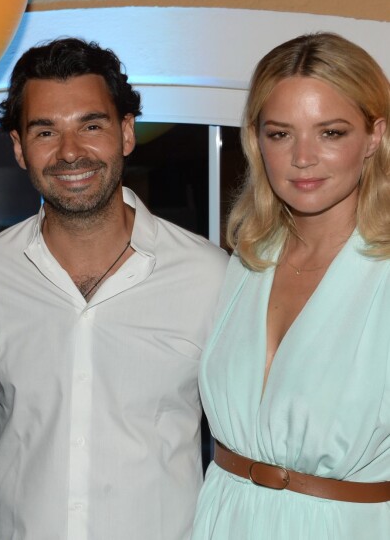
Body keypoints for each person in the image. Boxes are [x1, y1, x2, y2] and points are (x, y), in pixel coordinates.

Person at [0, 38, 228, 540]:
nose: (71, 152)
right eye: (46, 131)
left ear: (126, 133)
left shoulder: (208, 276)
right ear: (20, 148)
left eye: (91, 125)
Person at [191, 32, 390, 539]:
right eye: (280, 133)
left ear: (374, 137)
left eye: (331, 133)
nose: (302, 157)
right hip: (224, 518)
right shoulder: (246, 262)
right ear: (256, 140)